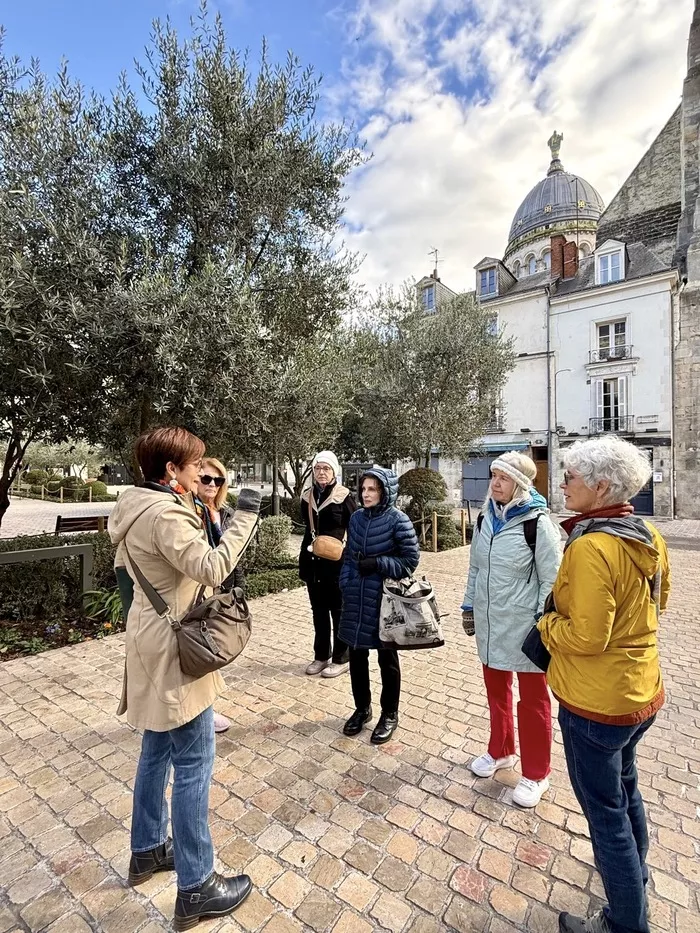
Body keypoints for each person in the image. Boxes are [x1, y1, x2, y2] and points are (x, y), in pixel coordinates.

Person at [108, 427, 261, 932]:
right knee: (195, 761)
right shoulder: (165, 514)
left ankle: (147, 849)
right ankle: (197, 887)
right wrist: (245, 515)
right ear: (171, 469)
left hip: (148, 637)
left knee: (156, 749)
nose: (201, 472)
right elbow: (213, 567)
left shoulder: (134, 505)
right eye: (195, 464)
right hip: (175, 647)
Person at [536, 437, 670, 933]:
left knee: (604, 814)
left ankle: (625, 921)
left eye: (571, 477)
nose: (563, 483)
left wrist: (546, 625)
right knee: (625, 787)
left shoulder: (593, 546)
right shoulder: (645, 534)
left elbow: (587, 637)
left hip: (595, 702)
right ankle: (635, 875)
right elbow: (660, 602)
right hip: (640, 689)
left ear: (601, 487)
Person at [461, 452, 562, 807]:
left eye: (502, 478)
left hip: (524, 627)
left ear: (519, 484)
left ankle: (536, 773)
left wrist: (540, 622)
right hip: (491, 623)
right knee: (496, 692)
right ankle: (501, 750)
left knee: (533, 701)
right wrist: (469, 605)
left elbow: (552, 580)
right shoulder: (485, 518)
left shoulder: (538, 523)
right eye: (493, 476)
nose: (495, 483)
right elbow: (476, 568)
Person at [338, 468, 420, 744]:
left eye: (372, 489)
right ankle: (362, 709)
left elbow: (410, 561)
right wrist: (346, 582)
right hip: (356, 597)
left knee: (387, 659)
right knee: (357, 656)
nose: (366, 494)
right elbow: (348, 555)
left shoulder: (398, 520)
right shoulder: (357, 518)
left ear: (385, 491)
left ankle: (390, 714)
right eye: (363, 489)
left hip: (385, 601)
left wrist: (378, 563)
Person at [196, 457, 247, 734]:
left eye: (218, 480)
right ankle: (203, 713)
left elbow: (234, 557)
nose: (212, 484)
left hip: (222, 590)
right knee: (201, 651)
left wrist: (239, 590)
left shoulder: (224, 512)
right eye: (206, 478)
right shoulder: (192, 513)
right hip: (199, 591)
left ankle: (206, 709)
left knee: (214, 649)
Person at [300, 451, 356, 678]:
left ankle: (342, 658)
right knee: (319, 611)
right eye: (318, 468)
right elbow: (306, 525)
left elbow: (354, 527)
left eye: (326, 468)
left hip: (337, 564)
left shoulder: (344, 496)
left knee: (339, 611)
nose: (321, 472)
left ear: (334, 471)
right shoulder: (307, 497)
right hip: (313, 562)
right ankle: (321, 656)